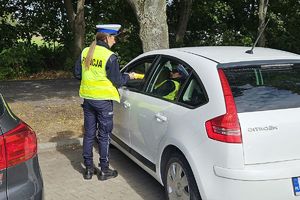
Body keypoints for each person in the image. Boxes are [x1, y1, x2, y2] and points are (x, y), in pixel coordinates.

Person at [74, 24, 135, 181]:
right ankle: (104, 170)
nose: (115, 41)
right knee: (104, 136)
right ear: (107, 38)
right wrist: (130, 76)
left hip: (88, 100)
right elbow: (117, 81)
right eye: (114, 38)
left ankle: (88, 169)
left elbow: (77, 74)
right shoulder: (110, 56)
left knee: (88, 134)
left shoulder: (85, 52)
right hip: (103, 103)